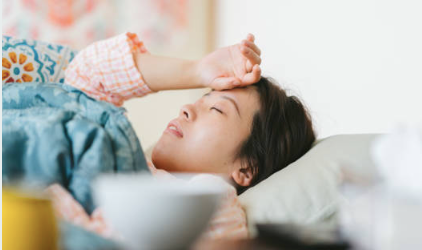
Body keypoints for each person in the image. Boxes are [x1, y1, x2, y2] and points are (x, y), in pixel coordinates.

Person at [65, 32, 316, 195]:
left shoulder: (211, 214)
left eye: (217, 109)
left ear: (247, 168)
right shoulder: (122, 153)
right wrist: (197, 70)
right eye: (202, 99)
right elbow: (86, 74)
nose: (186, 110)